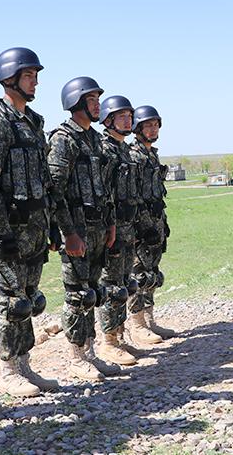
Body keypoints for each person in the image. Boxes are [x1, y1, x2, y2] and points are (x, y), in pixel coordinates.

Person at [0, 47, 60, 396]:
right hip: (11, 227)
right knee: (11, 300)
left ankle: (25, 364)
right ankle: (7, 370)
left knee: (28, 297)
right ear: (9, 78)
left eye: (35, 76)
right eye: (29, 76)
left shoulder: (35, 121)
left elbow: (44, 177)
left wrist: (52, 223)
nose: (35, 82)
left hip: (36, 226)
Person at [47, 76, 120, 380]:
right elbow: (55, 189)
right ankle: (77, 357)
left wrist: (111, 222)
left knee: (93, 292)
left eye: (98, 100)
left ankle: (90, 352)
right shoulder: (64, 139)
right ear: (75, 102)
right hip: (76, 229)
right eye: (91, 100)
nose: (97, 105)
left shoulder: (94, 140)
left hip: (98, 227)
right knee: (77, 294)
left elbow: (107, 186)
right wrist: (68, 232)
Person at [95, 95, 145, 366]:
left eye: (129, 116)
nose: (128, 120)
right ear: (108, 119)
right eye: (122, 116)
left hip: (127, 226)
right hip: (112, 227)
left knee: (124, 283)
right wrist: (108, 225)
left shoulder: (124, 149)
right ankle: (108, 342)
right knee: (111, 285)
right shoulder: (105, 149)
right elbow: (102, 192)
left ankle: (119, 335)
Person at [127, 105, 177, 344]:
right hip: (139, 226)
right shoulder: (133, 155)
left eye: (155, 124)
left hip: (155, 223)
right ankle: (137, 324)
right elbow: (130, 195)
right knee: (137, 274)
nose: (153, 128)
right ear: (137, 128)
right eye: (147, 124)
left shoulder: (151, 154)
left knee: (152, 274)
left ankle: (149, 320)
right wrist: (139, 227)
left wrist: (160, 223)